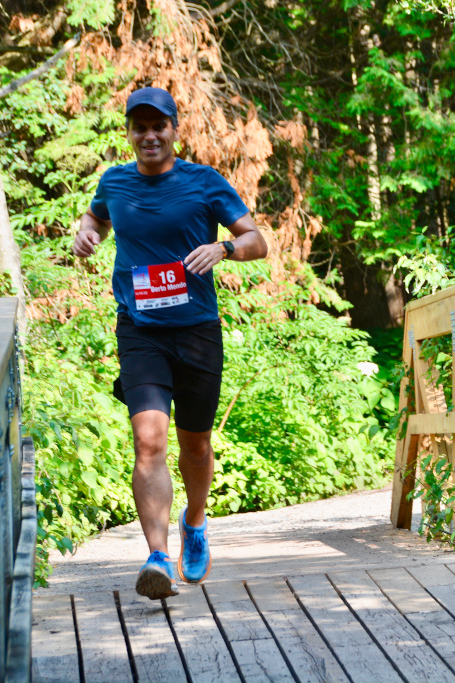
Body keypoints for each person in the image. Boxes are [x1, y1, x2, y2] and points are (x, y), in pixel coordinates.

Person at [71, 87, 268, 600]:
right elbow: (97, 216)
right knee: (149, 441)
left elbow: (257, 240)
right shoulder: (114, 182)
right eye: (140, 127)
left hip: (197, 329)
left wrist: (224, 247)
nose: (149, 135)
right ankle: (157, 557)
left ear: (174, 130)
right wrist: (85, 231)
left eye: (159, 126)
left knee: (195, 443)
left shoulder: (203, 182)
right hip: (140, 331)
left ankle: (195, 524)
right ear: (130, 133)